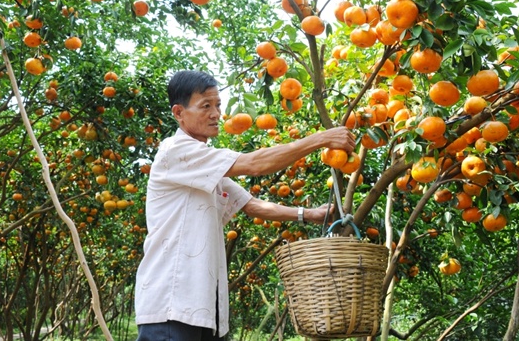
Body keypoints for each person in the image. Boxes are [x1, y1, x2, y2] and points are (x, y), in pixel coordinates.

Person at [134, 70, 355, 341]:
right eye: (206, 106)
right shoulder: (176, 151)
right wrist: (320, 139)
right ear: (179, 113)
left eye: (217, 105)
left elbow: (252, 205)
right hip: (172, 301)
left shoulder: (205, 166)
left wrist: (309, 214)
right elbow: (254, 164)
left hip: (202, 305)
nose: (216, 114)